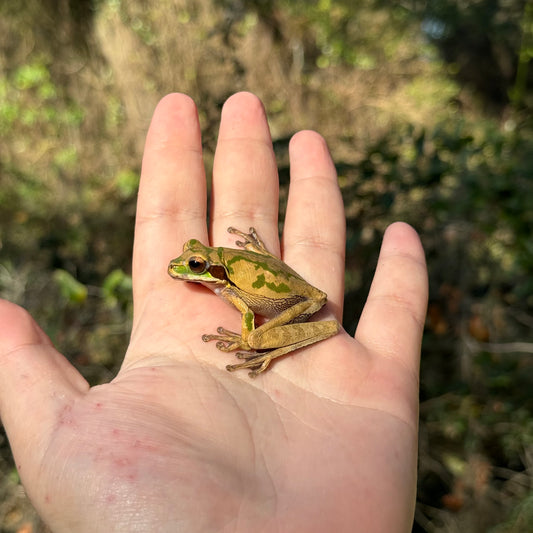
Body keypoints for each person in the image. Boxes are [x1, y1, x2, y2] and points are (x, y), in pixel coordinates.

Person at [0, 92, 428, 532]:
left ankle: (268, 351)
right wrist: (256, 255)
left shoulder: (230, 285)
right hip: (279, 280)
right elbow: (244, 268)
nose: (188, 269)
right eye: (193, 259)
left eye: (198, 267)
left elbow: (247, 308)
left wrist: (246, 338)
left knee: (255, 338)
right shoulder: (218, 261)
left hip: (296, 304)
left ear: (214, 269)